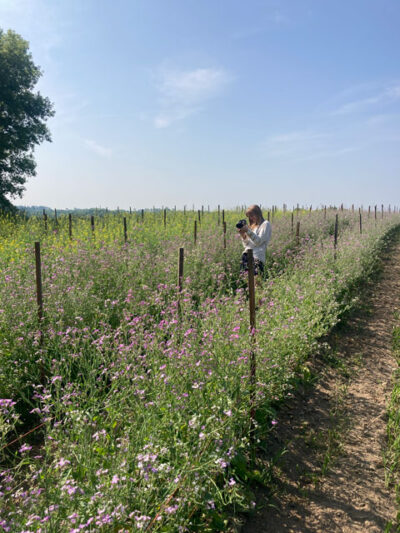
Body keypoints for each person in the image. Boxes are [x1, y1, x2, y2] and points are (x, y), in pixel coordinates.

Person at [237, 204, 271, 276]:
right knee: (246, 282)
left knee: (256, 283)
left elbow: (259, 242)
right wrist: (243, 235)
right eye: (249, 217)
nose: (251, 218)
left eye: (252, 216)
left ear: (258, 213)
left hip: (257, 257)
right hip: (246, 255)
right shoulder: (253, 226)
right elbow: (246, 244)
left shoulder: (265, 224)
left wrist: (248, 231)